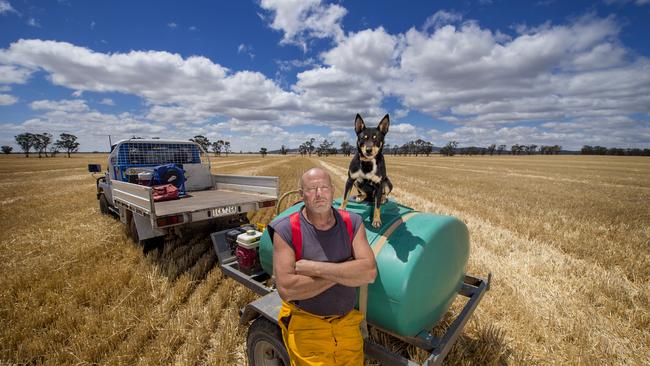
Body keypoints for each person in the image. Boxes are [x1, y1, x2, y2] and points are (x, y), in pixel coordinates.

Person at [267, 167, 377, 366]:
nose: (319, 194)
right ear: (301, 195)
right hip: (306, 326)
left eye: (324, 187)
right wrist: (347, 270)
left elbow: (369, 272)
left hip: (347, 323)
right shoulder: (285, 229)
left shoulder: (352, 222)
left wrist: (314, 268)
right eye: (312, 189)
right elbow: (287, 289)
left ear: (332, 190)